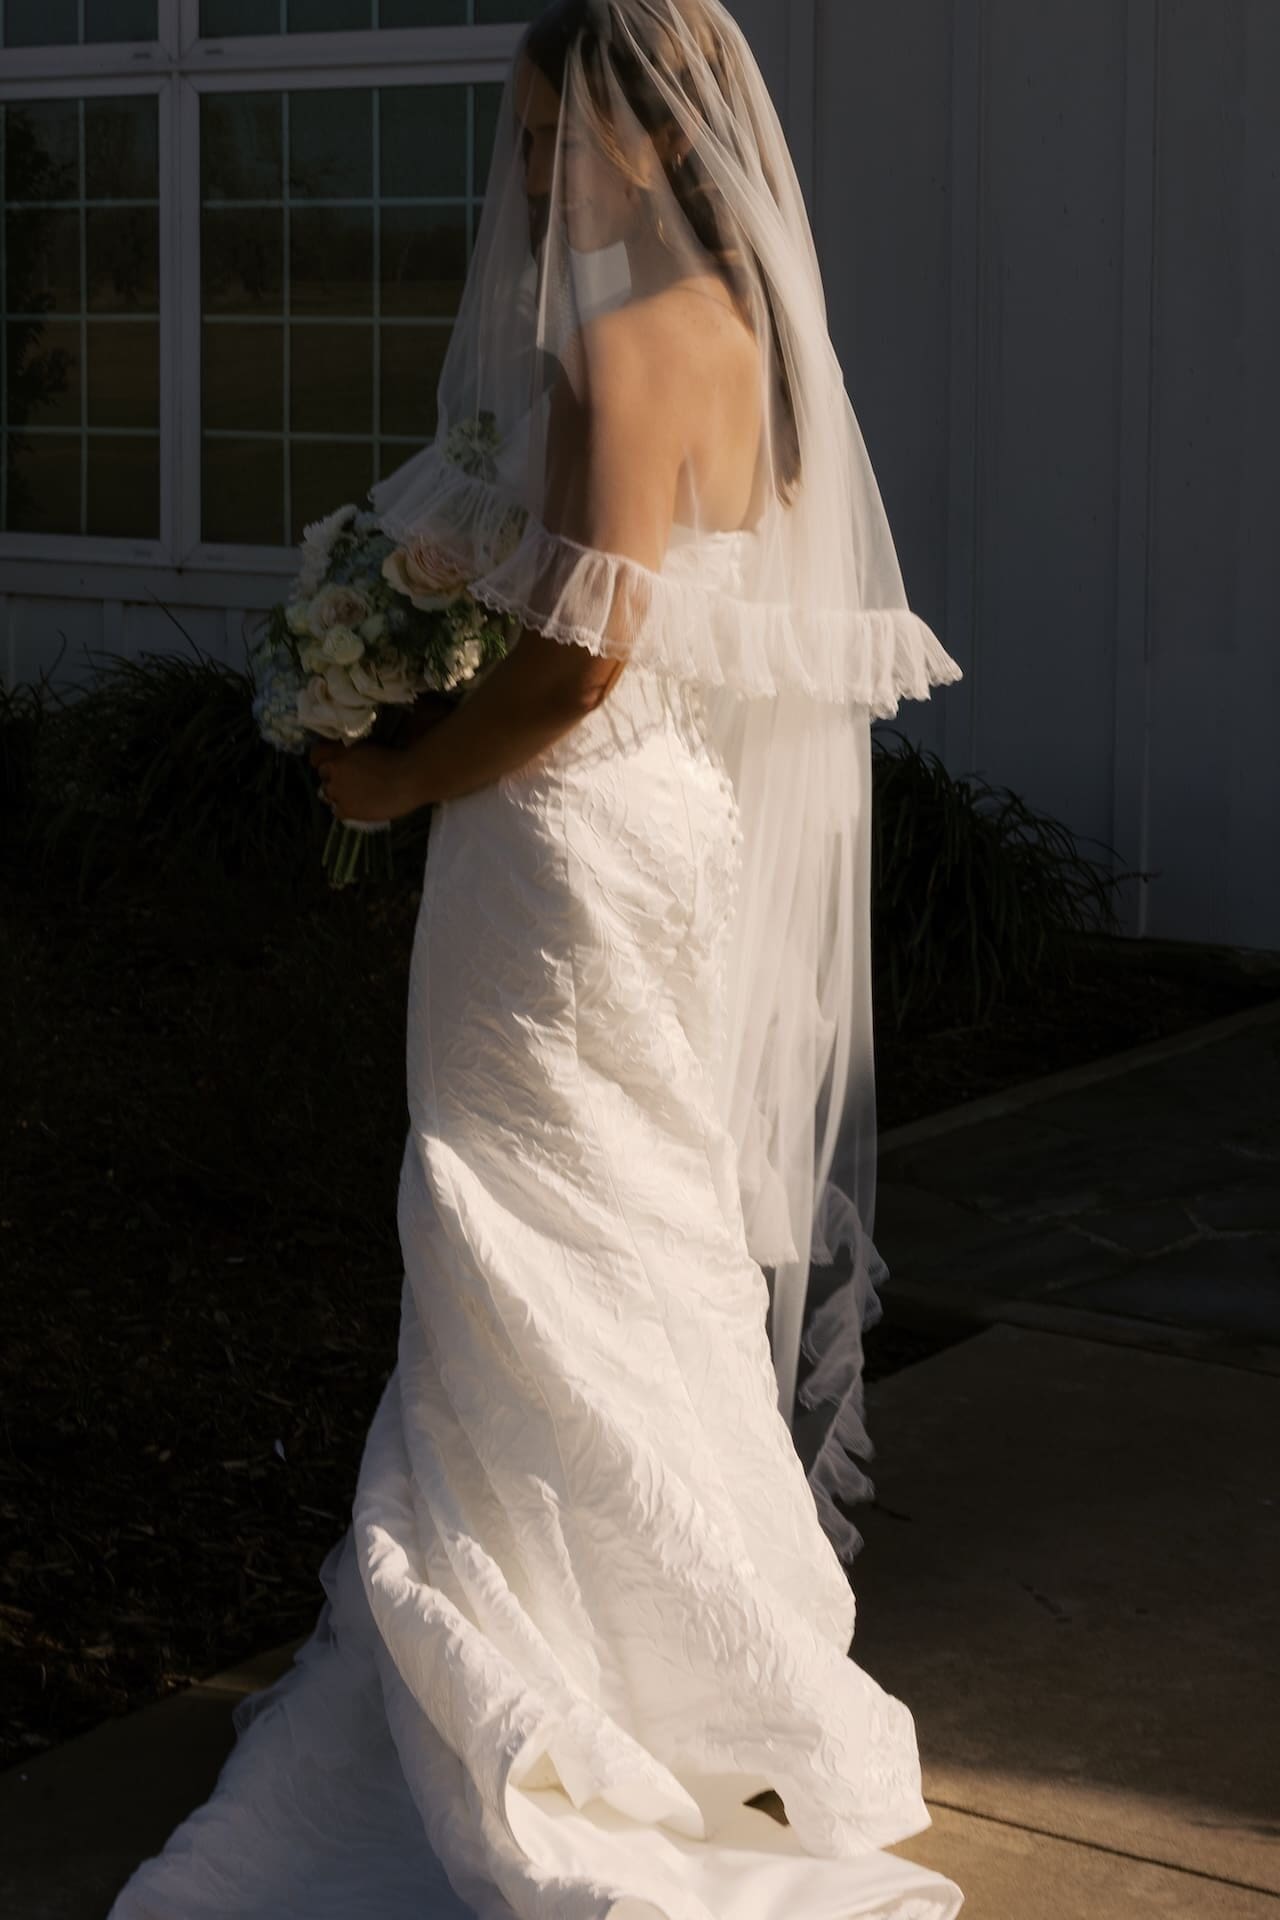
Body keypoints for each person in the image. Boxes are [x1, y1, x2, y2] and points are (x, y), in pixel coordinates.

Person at [107, 3, 965, 1915]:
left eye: (551, 136)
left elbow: (575, 672)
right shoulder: (761, 346)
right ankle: (713, 1667)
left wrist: (398, 768)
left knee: (504, 1211)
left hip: (561, 844)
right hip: (679, 848)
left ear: (654, 139)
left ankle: (535, 1671)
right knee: (632, 1218)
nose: (529, 174)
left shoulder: (607, 345)